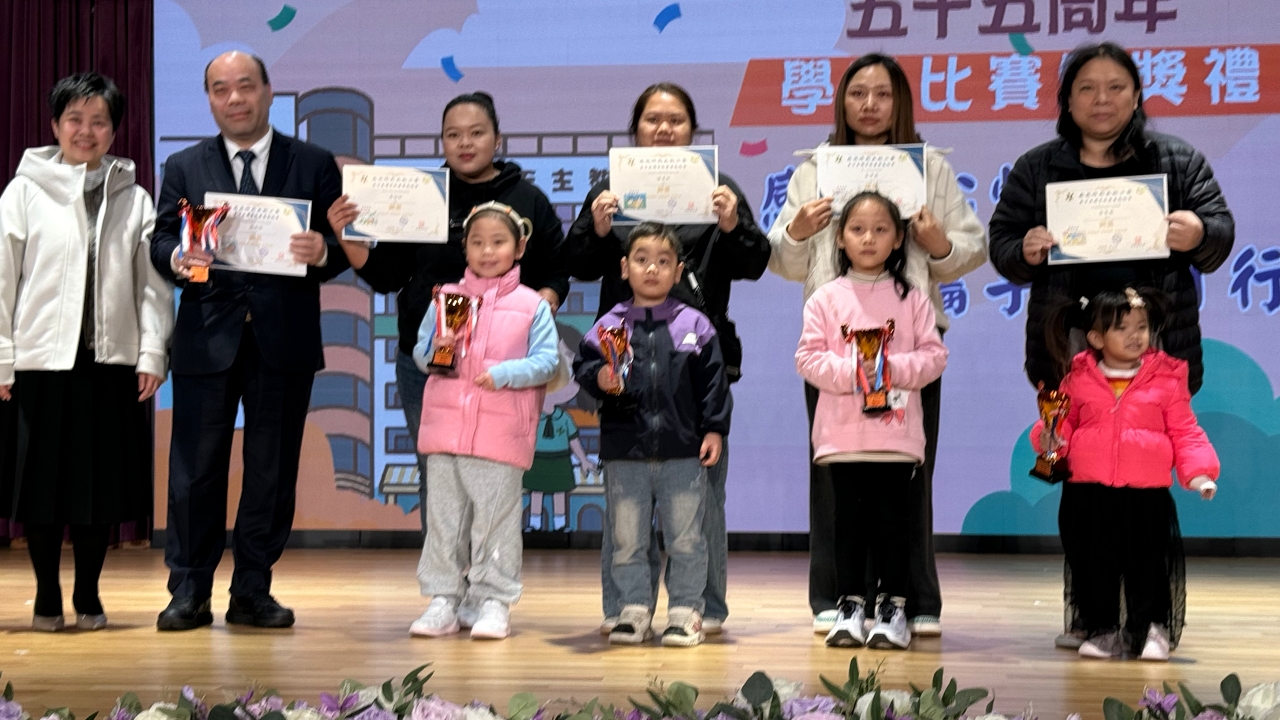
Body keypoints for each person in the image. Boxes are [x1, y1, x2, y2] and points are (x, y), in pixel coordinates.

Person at [987, 41, 1234, 647]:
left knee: (1143, 493)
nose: (1102, 100)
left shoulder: (1176, 160)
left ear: (1137, 94)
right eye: (1087, 88)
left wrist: (1198, 232)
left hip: (1153, 346)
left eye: (1116, 87)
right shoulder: (1038, 167)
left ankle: (1150, 619)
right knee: (1083, 489)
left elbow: (1219, 233)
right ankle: (1092, 615)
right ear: (1066, 101)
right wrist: (1025, 249)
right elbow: (1003, 244)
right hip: (1070, 343)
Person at [767, 54, 985, 637]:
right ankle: (838, 598)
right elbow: (782, 259)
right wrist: (798, 233)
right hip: (835, 346)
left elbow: (971, 247)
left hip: (908, 341)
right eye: (857, 93)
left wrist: (938, 244)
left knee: (907, 472)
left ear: (900, 102)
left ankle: (912, 599)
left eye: (882, 94)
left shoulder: (930, 166)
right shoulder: (815, 168)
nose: (869, 104)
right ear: (841, 101)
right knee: (835, 476)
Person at [151, 51, 350, 631]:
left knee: (272, 470)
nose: (234, 98)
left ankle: (252, 589)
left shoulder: (312, 162)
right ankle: (189, 591)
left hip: (282, 339)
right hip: (206, 338)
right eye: (220, 89)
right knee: (194, 471)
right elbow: (160, 240)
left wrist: (324, 251)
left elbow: (344, 243)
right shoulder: (184, 165)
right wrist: (177, 256)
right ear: (209, 98)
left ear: (267, 90)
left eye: (245, 86)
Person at [570, 83, 769, 635]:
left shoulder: (718, 187)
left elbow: (755, 262)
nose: (663, 129)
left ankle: (702, 608)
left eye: (676, 119)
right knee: (626, 509)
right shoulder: (610, 189)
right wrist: (597, 228)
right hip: (628, 366)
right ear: (635, 129)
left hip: (694, 363)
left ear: (693, 130)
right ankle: (625, 609)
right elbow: (576, 263)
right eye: (652, 119)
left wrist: (732, 225)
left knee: (701, 503)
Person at [326, 91, 568, 542]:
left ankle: (488, 576)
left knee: (496, 471)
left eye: (477, 133)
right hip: (429, 361)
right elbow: (387, 274)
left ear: (498, 138)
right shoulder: (421, 196)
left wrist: (540, 306)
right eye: (453, 135)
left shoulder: (527, 198)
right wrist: (346, 236)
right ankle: (445, 579)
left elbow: (555, 269)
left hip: (503, 366)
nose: (465, 143)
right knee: (437, 472)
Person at [0, 72, 173, 631]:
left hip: (110, 364)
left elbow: (152, 286)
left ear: (114, 131)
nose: (86, 131)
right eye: (74, 119)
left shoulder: (134, 197)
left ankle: (89, 594)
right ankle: (47, 596)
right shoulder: (24, 191)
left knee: (99, 490)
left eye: (99, 121)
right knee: (41, 489)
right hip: (39, 364)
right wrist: (2, 356)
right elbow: (2, 280)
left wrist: (152, 353)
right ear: (55, 125)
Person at [795, 191, 948, 651]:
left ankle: (893, 608)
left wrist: (888, 368)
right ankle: (849, 606)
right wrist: (857, 373)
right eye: (857, 229)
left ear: (899, 239)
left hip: (895, 436)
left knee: (893, 523)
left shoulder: (913, 298)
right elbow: (807, 359)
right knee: (847, 524)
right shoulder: (824, 299)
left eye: (881, 230)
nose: (868, 239)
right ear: (839, 239)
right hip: (842, 437)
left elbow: (934, 356)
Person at [1032, 288, 1219, 661]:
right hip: (1088, 491)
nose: (1135, 335)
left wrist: (1199, 472)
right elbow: (1061, 425)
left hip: (1145, 493)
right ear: (1096, 338)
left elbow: (1185, 430)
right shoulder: (1077, 378)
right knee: (1093, 563)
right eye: (1122, 328)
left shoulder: (1167, 378)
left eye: (1142, 326)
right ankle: (1103, 630)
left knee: (1146, 564)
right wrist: (1048, 437)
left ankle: (1152, 629)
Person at [408, 202, 560, 641]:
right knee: (444, 521)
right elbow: (421, 354)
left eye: (498, 242)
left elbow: (548, 362)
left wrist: (504, 374)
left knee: (495, 521)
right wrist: (439, 350)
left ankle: (493, 600)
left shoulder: (532, 305)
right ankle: (443, 599)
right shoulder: (447, 298)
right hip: (445, 430)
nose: (487, 251)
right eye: (477, 242)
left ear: (519, 247)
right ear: (465, 248)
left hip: (500, 432)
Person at [575, 222, 731, 648]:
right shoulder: (610, 324)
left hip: (684, 452)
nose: (652, 269)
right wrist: (599, 376)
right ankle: (633, 609)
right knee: (627, 539)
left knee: (687, 538)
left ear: (678, 271)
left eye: (663, 262)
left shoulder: (695, 324)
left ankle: (686, 610)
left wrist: (714, 429)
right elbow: (584, 367)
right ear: (624, 268)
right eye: (642, 260)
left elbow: (714, 385)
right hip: (625, 452)